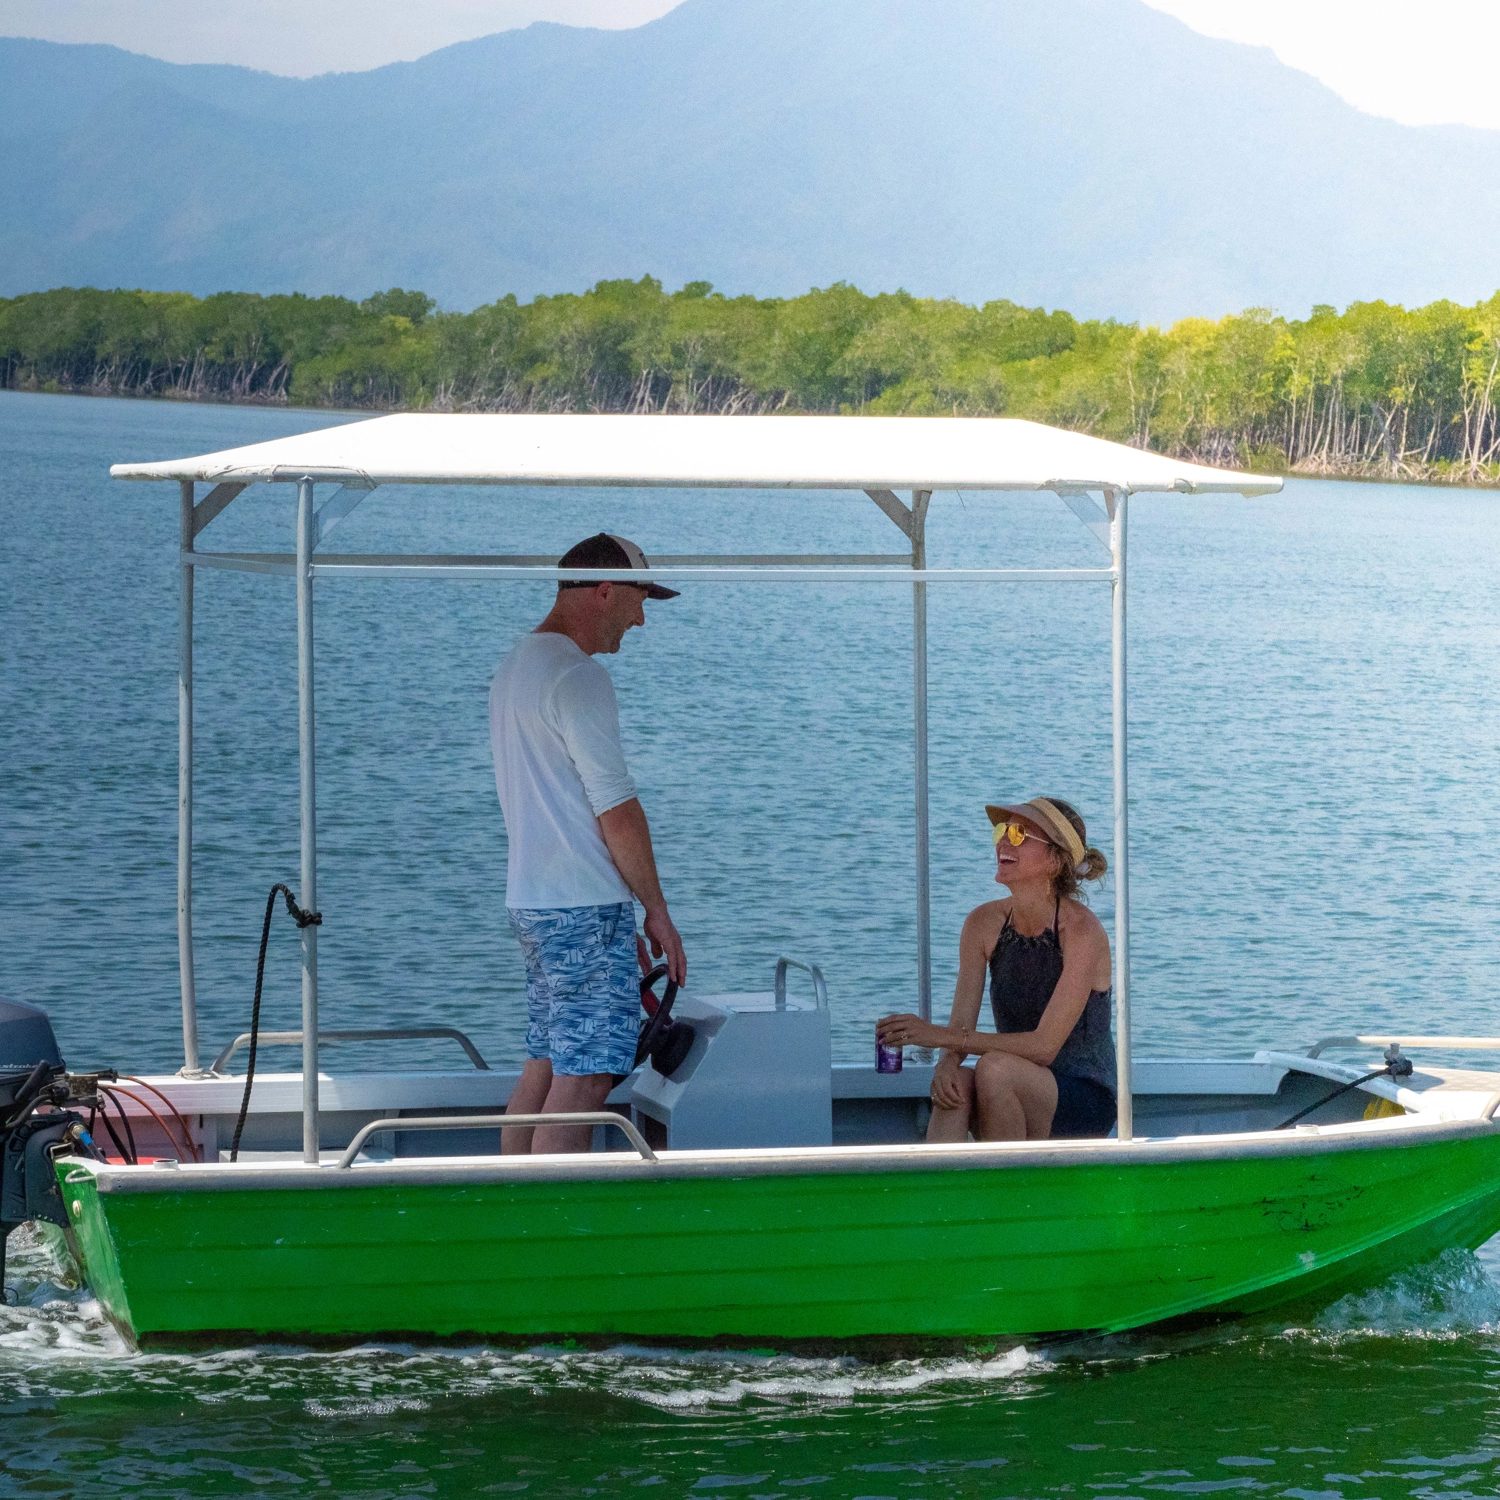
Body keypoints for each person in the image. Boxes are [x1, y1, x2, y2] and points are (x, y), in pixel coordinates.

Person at [490, 532, 687, 1155]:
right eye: (639, 599)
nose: (642, 617)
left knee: (546, 1060)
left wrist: (612, 907)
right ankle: (551, 1230)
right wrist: (655, 910)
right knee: (587, 1075)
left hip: (536, 901)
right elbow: (617, 810)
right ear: (605, 591)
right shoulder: (579, 677)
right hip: (579, 906)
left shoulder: (516, 667)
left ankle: (506, 1213)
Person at [876, 797, 1116, 1142]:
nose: (1003, 841)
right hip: (1013, 1078)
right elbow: (961, 1026)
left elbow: (1044, 1048)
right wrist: (945, 1064)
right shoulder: (982, 923)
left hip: (1083, 1097)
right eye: (1003, 831)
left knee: (994, 1069)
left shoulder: (1082, 931)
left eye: (1019, 834)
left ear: (1054, 859)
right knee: (957, 1081)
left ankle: (1009, 1191)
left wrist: (935, 1035)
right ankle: (936, 1193)